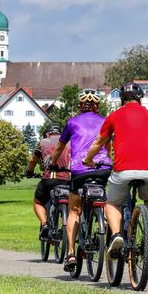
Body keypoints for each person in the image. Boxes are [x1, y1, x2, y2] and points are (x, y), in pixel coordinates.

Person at [83, 83, 148, 257]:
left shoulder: (114, 116)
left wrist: (88, 159)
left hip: (123, 170)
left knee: (112, 203)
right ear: (140, 98)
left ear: (122, 99)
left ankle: (117, 235)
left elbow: (99, 142)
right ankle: (147, 237)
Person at [50, 89, 112, 272]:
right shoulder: (104, 121)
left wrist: (53, 164)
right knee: (106, 200)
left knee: (74, 211)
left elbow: (60, 146)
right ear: (97, 106)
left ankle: (70, 253)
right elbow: (108, 146)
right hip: (102, 168)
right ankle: (106, 233)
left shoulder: (72, 122)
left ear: (79, 106)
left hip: (79, 169)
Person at [26, 124, 70, 241]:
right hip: (66, 180)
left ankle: (45, 224)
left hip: (48, 179)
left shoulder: (43, 142)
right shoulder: (69, 142)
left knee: (38, 202)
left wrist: (29, 172)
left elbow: (33, 160)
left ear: (47, 134)